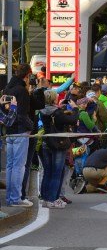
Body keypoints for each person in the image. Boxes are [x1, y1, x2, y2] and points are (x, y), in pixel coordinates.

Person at [3, 64, 38, 207]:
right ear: (27, 75)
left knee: (10, 166)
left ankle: (10, 198)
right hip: (21, 131)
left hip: (9, 130)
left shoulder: (7, 88)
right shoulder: (22, 91)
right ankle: (16, 198)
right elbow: (22, 114)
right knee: (19, 166)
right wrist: (31, 126)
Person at [39, 90, 79, 209]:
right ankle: (53, 199)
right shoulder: (57, 113)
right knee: (57, 172)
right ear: (53, 99)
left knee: (48, 172)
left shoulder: (42, 111)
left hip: (46, 143)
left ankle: (46, 199)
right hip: (58, 144)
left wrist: (59, 108)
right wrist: (75, 108)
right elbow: (73, 120)